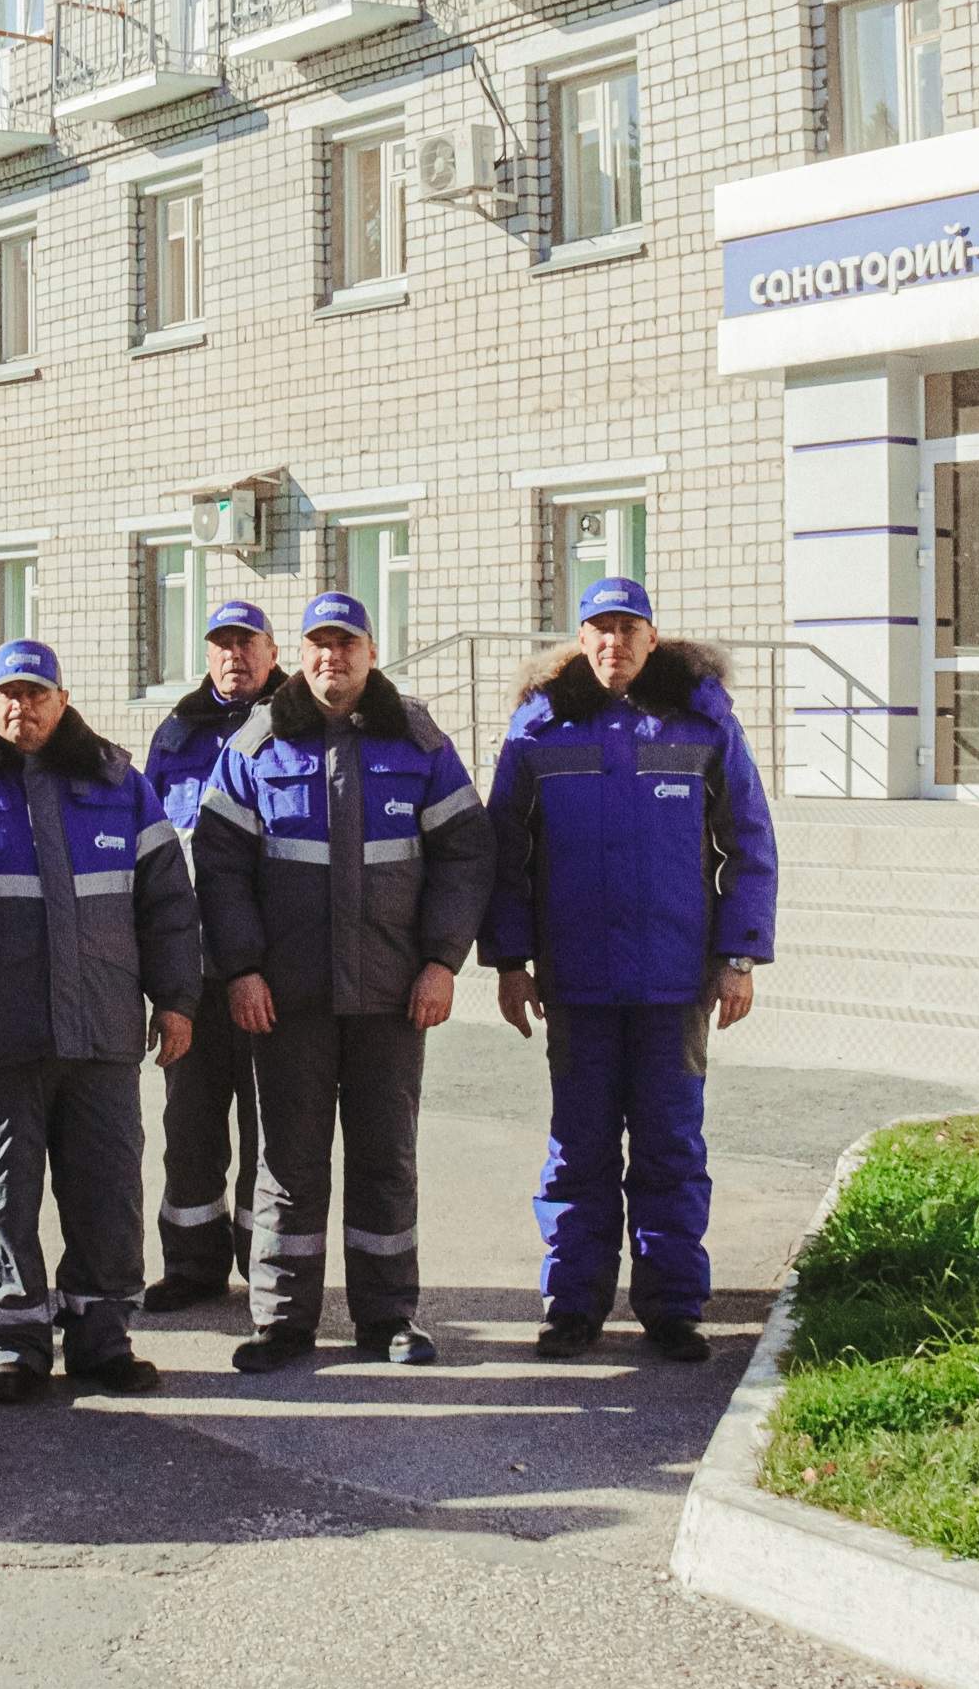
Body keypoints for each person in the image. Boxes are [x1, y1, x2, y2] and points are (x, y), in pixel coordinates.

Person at [0, 642, 198, 1404]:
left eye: (37, 694)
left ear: (63, 699)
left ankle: (101, 1335)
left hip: (102, 1031)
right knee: (3, 1193)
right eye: (8, 695)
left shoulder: (120, 787)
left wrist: (178, 999)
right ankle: (15, 1342)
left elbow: (168, 908)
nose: (22, 708)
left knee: (107, 1190)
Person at [195, 592, 492, 1375]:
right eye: (318, 643)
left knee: (384, 1158)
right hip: (285, 999)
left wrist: (440, 960)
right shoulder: (257, 746)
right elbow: (218, 869)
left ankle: (387, 1316)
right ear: (299, 653)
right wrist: (242, 968)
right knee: (287, 1162)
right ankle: (281, 1321)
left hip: (394, 996)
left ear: (371, 650)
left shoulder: (419, 741)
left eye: (347, 643)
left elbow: (465, 854)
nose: (332, 656)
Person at [483, 579, 778, 1364]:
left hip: (674, 980)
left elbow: (746, 843)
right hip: (574, 981)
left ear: (653, 639)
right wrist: (510, 961)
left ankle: (672, 1306)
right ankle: (572, 1305)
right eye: (598, 629)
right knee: (577, 1148)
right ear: (579, 640)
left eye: (628, 628)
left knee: (669, 1146)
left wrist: (739, 955)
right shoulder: (539, 730)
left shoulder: (700, 721)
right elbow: (503, 857)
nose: (613, 642)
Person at [138, 600, 282, 1312]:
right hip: (191, 966)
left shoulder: (295, 719)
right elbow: (149, 843)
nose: (234, 656)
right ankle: (192, 1262)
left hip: (270, 968)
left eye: (245, 643)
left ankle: (267, 1260)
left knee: (268, 1124)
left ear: (271, 648)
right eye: (221, 644)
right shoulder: (177, 731)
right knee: (189, 1119)